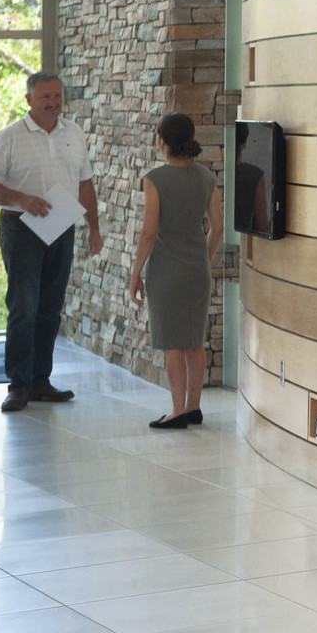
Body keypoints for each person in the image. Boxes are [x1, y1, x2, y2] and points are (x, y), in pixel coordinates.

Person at [0, 72, 103, 413]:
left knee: (50, 308)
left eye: (57, 96)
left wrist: (94, 227)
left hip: (62, 228)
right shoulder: (10, 137)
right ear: (29, 100)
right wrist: (22, 199)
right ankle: (17, 385)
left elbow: (85, 185)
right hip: (21, 230)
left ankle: (40, 382)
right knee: (23, 307)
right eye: (45, 96)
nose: (53, 103)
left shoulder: (73, 133)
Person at [128, 113, 221, 429]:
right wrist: (203, 261)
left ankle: (177, 410)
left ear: (162, 141)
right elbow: (217, 228)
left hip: (166, 271)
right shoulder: (206, 177)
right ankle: (193, 408)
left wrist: (135, 273)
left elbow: (148, 232)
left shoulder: (155, 179)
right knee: (194, 342)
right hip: (197, 270)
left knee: (172, 343)